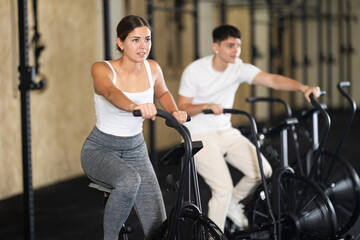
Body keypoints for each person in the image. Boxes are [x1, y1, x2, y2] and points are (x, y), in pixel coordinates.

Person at [177, 24, 322, 231]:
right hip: (199, 134)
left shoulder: (239, 68)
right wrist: (205, 106)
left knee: (263, 171)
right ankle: (212, 235)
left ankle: (231, 205)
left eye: (238, 45)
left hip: (225, 131)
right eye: (230, 45)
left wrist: (303, 88)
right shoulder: (195, 70)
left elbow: (271, 79)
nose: (235, 50)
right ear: (215, 47)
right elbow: (182, 108)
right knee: (223, 188)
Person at [81, 15, 187, 240]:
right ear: (120, 42)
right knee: (129, 181)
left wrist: (174, 112)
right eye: (135, 40)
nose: (143, 46)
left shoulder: (152, 68)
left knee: (158, 222)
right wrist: (134, 106)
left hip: (135, 149)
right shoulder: (102, 68)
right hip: (100, 149)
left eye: (147, 39)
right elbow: (109, 92)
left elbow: (163, 93)